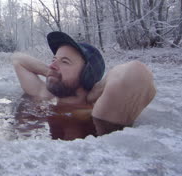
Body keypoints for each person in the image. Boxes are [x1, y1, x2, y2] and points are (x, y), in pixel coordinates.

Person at [11, 31, 156, 138]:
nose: (52, 65)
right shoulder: (46, 95)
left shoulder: (97, 111)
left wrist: (97, 90)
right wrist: (51, 72)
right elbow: (18, 59)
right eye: (54, 59)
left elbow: (136, 72)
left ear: (86, 75)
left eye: (65, 62)